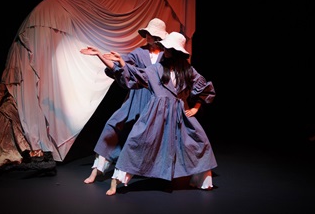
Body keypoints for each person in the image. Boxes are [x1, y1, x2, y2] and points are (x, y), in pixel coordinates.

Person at [102, 31, 217, 195]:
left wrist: (195, 108)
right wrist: (121, 62)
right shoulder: (156, 69)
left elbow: (205, 88)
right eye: (165, 47)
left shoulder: (187, 70)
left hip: (178, 114)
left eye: (168, 48)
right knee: (138, 142)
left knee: (198, 142)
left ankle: (202, 181)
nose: (165, 50)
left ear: (176, 52)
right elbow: (137, 75)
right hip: (156, 114)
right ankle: (118, 180)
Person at [79, 18, 168, 184]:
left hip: (156, 101)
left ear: (159, 37)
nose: (148, 37)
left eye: (152, 35)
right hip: (137, 96)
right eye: (147, 34)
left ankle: (131, 173)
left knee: (146, 136)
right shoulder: (139, 53)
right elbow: (119, 66)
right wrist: (99, 54)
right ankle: (97, 169)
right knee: (113, 125)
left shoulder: (166, 55)